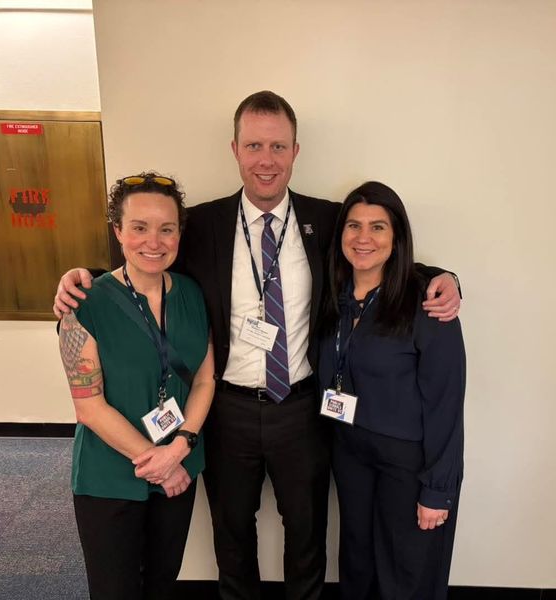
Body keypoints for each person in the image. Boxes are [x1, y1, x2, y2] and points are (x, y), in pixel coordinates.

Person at [53, 91, 461, 600]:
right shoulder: (200, 225)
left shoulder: (328, 219)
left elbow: (378, 247)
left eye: (277, 146)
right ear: (235, 150)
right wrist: (83, 275)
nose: (266, 160)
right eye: (254, 146)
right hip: (225, 410)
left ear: (295, 151)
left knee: (308, 537)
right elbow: (142, 258)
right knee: (232, 538)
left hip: (303, 409)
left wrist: (441, 277)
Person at [58, 173, 214, 599]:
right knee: (115, 590)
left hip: (180, 465)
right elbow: (89, 407)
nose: (154, 241)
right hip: (109, 476)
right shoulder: (84, 304)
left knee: (162, 582)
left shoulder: (193, 294)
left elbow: (204, 378)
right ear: (118, 232)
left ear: (179, 233)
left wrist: (179, 449)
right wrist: (157, 462)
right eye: (139, 227)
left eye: (166, 228)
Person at [317, 181, 466, 600]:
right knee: (358, 567)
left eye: (378, 227)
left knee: (406, 574)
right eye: (353, 226)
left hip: (409, 463)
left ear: (397, 237)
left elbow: (446, 402)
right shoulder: (334, 294)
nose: (363, 238)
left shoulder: (428, 302)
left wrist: (438, 489)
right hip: (351, 453)